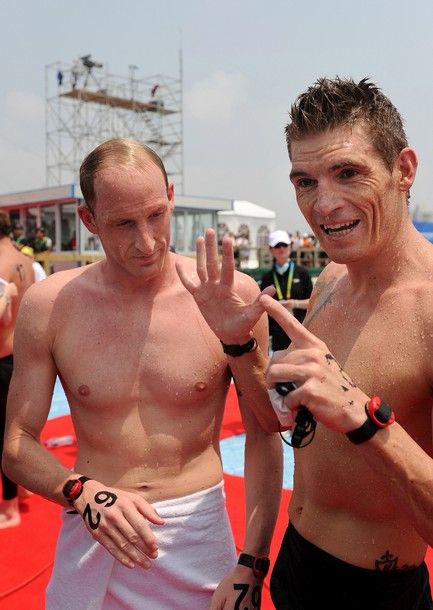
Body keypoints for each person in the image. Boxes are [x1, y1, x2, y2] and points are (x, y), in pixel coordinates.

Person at [184, 76, 433, 609]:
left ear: (404, 170)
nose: (324, 204)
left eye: (348, 173)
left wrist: (366, 418)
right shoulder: (330, 281)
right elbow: (285, 421)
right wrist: (237, 346)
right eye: (305, 181)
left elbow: (351, 418)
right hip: (295, 563)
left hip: (378, 591)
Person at [2, 138, 283, 610]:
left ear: (171, 195)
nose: (147, 241)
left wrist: (253, 562)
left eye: (156, 215)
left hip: (199, 534)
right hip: (93, 532)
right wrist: (80, 491)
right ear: (89, 219)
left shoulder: (229, 293)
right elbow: (16, 444)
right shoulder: (51, 306)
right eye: (123, 224)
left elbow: (265, 431)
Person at [0, 211, 34, 528]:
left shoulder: (0, 266)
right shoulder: (24, 261)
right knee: (17, 428)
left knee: (4, 435)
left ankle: (9, 508)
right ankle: (21, 487)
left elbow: (3, 319)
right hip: (21, 354)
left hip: (2, 358)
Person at [260, 230, 313, 352]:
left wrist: (294, 303)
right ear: (271, 249)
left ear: (290, 247)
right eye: (277, 245)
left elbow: (313, 302)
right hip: (278, 335)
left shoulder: (302, 273)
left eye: (284, 245)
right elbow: (262, 307)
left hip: (301, 331)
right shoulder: (267, 278)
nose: (281, 248)